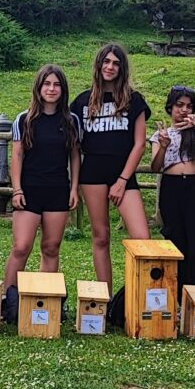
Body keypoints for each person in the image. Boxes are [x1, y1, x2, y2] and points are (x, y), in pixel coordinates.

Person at [1, 65, 81, 322]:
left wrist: (73, 188)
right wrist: (17, 189)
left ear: (63, 90)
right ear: (38, 87)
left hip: (58, 190)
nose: (51, 89)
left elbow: (75, 157)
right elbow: (17, 155)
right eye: (47, 84)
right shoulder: (24, 119)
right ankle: (9, 301)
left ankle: (46, 302)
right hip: (29, 191)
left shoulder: (71, 120)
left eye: (56, 85)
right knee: (21, 247)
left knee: (51, 247)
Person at [71, 43, 151, 288]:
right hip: (92, 174)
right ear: (98, 65)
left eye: (116, 63)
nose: (110, 67)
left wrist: (122, 180)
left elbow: (139, 145)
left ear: (122, 68)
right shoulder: (81, 102)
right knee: (101, 236)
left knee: (142, 239)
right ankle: (104, 296)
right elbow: (74, 146)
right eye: (106, 61)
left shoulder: (133, 100)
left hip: (123, 176)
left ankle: (137, 297)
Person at [150, 85, 195, 287]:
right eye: (179, 105)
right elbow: (155, 166)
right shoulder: (161, 134)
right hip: (172, 187)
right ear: (170, 107)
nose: (184, 110)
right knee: (174, 238)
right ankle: (176, 293)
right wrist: (163, 145)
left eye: (189, 106)